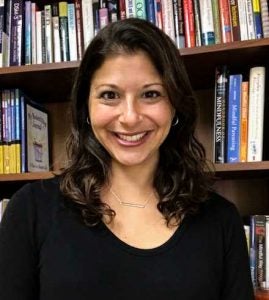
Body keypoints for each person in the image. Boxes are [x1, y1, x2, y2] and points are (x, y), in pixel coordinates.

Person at [0, 18, 254, 300]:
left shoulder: (220, 220)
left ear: (175, 105)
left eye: (151, 94)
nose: (130, 117)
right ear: (86, 106)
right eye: (110, 95)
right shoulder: (32, 210)